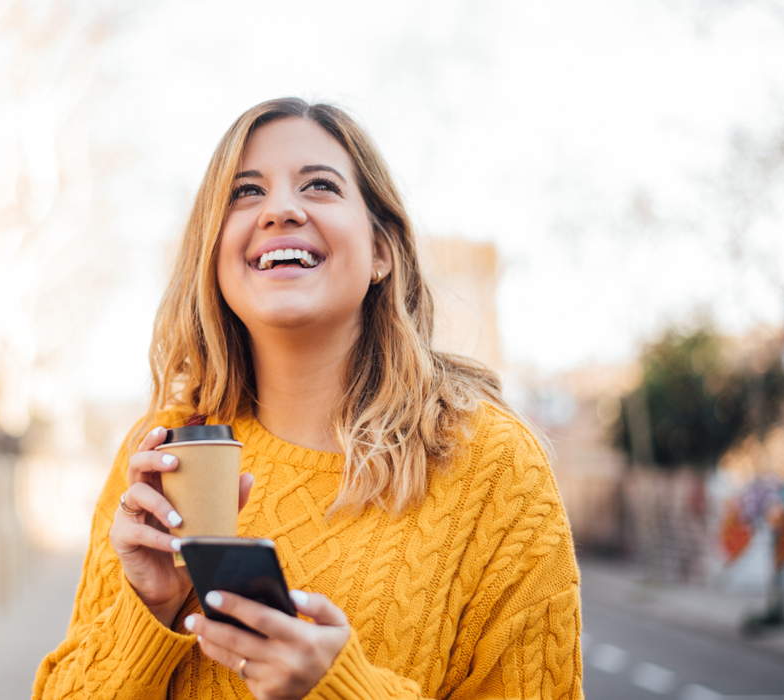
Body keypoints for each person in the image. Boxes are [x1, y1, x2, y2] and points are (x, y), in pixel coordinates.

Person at [34, 98, 583, 700]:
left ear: (381, 250)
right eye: (245, 192)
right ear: (214, 254)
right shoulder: (165, 450)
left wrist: (340, 688)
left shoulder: (493, 465)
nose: (280, 210)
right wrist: (149, 609)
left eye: (319, 186)